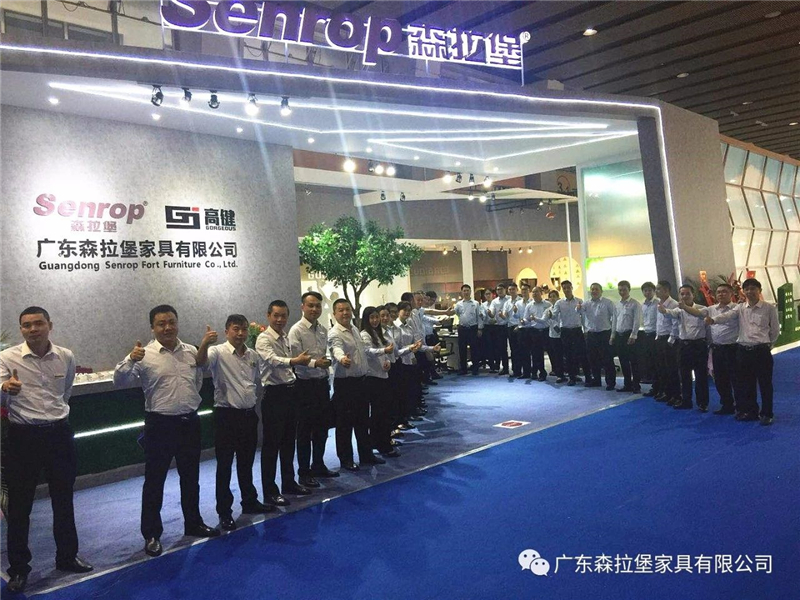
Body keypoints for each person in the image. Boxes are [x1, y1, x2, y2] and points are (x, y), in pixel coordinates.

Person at [114, 305, 220, 558]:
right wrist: (130, 359)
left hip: (189, 423)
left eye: (171, 322)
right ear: (152, 328)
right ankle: (151, 534)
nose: (167, 327)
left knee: (191, 477)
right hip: (159, 425)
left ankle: (193, 523)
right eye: (161, 324)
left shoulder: (191, 351)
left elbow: (198, 379)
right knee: (154, 481)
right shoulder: (144, 355)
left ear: (177, 323)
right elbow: (119, 381)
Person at [1, 307, 93, 594]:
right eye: (26, 325)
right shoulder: (7, 358)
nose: (33, 329)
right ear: (21, 329)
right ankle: (19, 569)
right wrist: (5, 388)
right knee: (19, 507)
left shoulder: (65, 356)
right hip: (23, 438)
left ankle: (67, 557)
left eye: (38, 323)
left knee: (64, 500)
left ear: (49, 325)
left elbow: (65, 392)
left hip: (58, 435)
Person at [197, 315, 273, 532]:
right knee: (224, 466)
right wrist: (204, 343)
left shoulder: (252, 355)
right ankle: (224, 512)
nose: (240, 333)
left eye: (244, 329)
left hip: (249, 415)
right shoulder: (217, 352)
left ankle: (249, 501)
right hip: (226, 416)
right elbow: (200, 363)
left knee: (246, 462)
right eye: (236, 329)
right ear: (227, 331)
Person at [699, 278, 780, 425]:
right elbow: (727, 316)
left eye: (753, 289)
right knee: (747, 384)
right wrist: (713, 320)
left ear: (759, 291)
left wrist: (768, 345)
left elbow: (774, 330)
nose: (750, 292)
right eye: (747, 289)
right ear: (743, 291)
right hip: (743, 351)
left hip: (761, 351)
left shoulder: (769, 308)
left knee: (765, 384)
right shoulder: (740, 308)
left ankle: (767, 413)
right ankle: (752, 411)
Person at [255, 301, 313, 506]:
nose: (280, 320)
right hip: (274, 396)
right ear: (268, 316)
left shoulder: (285, 337)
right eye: (276, 316)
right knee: (271, 446)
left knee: (289, 442)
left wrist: (309, 362)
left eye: (283, 316)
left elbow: (293, 362)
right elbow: (272, 360)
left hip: (290, 393)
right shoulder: (264, 339)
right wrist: (295, 361)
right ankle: (270, 492)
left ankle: (289, 483)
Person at [288, 292, 338, 487]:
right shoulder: (296, 330)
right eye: (310, 305)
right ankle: (304, 472)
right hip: (305, 386)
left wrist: (325, 362)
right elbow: (296, 359)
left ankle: (318, 465)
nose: (314, 309)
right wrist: (316, 363)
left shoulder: (323, 329)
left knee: (322, 429)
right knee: (304, 431)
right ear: (302, 307)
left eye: (317, 305)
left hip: (321, 384)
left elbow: (323, 354)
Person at [328, 299, 385, 469]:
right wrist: (341, 358)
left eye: (347, 309)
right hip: (345, 384)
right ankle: (346, 459)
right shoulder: (335, 333)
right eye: (341, 310)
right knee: (345, 424)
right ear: (334, 314)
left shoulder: (354, 329)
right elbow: (336, 348)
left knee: (362, 421)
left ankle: (366, 455)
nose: (345, 313)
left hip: (361, 382)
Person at [675, 284, 740, 415]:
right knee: (720, 379)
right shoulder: (710, 309)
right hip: (717, 348)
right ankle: (727, 405)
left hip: (733, 348)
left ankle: (741, 406)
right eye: (719, 292)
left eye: (724, 292)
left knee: (737, 379)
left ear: (731, 293)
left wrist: (713, 320)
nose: (721, 294)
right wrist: (685, 307)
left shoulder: (737, 308)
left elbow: (725, 317)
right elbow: (698, 313)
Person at [659, 285, 709, 411]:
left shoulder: (702, 308)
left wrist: (684, 307)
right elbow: (670, 313)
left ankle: (702, 403)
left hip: (699, 345)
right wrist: (664, 310)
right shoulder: (678, 310)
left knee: (701, 376)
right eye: (682, 294)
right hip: (684, 346)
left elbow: (699, 315)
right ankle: (686, 401)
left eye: (687, 294)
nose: (685, 296)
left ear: (693, 295)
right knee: (684, 375)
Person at [360, 307, 399, 457]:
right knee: (379, 413)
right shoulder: (364, 334)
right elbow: (368, 352)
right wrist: (384, 351)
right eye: (372, 318)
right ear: (366, 319)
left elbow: (385, 354)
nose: (375, 320)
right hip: (372, 378)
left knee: (383, 412)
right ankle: (383, 444)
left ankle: (381, 441)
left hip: (383, 376)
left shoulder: (377, 333)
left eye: (377, 317)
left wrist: (387, 361)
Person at [548, 281, 588, 386]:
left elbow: (583, 317)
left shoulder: (579, 301)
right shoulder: (559, 303)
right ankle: (571, 377)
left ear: (572, 288)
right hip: (565, 331)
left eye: (568, 287)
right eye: (564, 288)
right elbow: (554, 316)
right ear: (562, 289)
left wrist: (585, 330)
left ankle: (583, 376)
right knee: (568, 355)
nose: (566, 290)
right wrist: (550, 315)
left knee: (580, 354)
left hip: (577, 330)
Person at [581, 283, 616, 390]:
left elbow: (614, 317)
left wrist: (613, 334)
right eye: (592, 289)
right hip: (591, 334)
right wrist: (577, 308)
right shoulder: (586, 303)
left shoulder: (608, 302)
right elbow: (578, 311)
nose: (594, 291)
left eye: (596, 289)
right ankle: (596, 380)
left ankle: (610, 382)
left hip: (604, 334)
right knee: (593, 359)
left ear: (601, 291)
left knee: (607, 359)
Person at [610, 280, 642, 393]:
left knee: (634, 362)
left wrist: (633, 335)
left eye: (624, 290)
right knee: (623, 361)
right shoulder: (617, 304)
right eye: (620, 290)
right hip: (619, 336)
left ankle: (636, 385)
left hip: (630, 335)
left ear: (629, 290)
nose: (622, 292)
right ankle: (627, 384)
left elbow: (637, 321)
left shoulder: (635, 304)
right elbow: (614, 321)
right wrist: (612, 335)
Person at [653, 281, 681, 405]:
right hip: (660, 338)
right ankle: (667, 393)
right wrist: (657, 336)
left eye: (658, 289)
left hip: (670, 340)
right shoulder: (659, 304)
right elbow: (659, 322)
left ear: (666, 290)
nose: (656, 291)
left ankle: (676, 395)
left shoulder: (674, 304)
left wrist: (671, 339)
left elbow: (675, 324)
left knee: (672, 369)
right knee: (662, 368)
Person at [453, 284, 482, 375]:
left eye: (467, 290)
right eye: (464, 291)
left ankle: (475, 369)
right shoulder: (458, 304)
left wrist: (480, 328)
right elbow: (456, 314)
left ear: (470, 292)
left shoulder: (476, 303)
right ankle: (463, 369)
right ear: (461, 292)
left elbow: (479, 316)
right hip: (462, 328)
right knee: (462, 350)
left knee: (474, 349)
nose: (466, 292)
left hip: (473, 328)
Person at [524, 287, 551, 381]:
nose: (534, 294)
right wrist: (523, 321)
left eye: (537, 292)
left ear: (541, 293)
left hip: (546, 330)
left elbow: (549, 318)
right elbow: (526, 318)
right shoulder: (529, 305)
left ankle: (557, 372)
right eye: (533, 292)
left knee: (551, 352)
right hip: (534, 331)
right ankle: (540, 372)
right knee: (536, 353)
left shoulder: (548, 304)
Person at [639, 282, 659, 393]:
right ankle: (654, 387)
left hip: (656, 334)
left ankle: (659, 387)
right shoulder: (642, 305)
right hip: (646, 334)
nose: (647, 293)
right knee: (650, 362)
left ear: (654, 291)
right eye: (645, 291)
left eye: (650, 290)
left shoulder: (658, 303)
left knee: (657, 362)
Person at [545, 290, 566, 382]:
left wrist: (560, 327)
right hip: (553, 335)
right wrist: (555, 326)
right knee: (557, 355)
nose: (552, 298)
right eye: (551, 297)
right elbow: (546, 319)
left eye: (554, 296)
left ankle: (571, 373)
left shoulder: (562, 307)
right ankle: (559, 374)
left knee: (567, 354)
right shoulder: (548, 310)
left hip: (564, 333)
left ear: (558, 297)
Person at [489, 283, 510, 375]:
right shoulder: (494, 301)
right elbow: (492, 314)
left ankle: (518, 368)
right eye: (498, 290)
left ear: (505, 290)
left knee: (515, 348)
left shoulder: (510, 299)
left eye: (501, 289)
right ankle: (505, 368)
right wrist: (489, 313)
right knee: (502, 348)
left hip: (510, 325)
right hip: (500, 326)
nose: (499, 291)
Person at [505, 283, 525, 378]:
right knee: (513, 350)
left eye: (513, 289)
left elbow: (523, 315)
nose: (511, 291)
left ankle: (525, 370)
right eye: (510, 289)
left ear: (517, 290)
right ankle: (516, 370)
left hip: (520, 327)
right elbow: (505, 316)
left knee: (522, 349)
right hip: (510, 327)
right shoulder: (507, 303)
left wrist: (520, 325)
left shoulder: (521, 301)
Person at [516, 283, 534, 379]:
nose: (524, 291)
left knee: (534, 352)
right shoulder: (518, 303)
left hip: (531, 328)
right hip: (522, 329)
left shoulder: (533, 302)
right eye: (522, 290)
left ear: (529, 291)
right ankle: (526, 372)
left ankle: (535, 372)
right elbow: (516, 316)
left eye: (526, 290)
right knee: (523, 352)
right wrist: (515, 312)